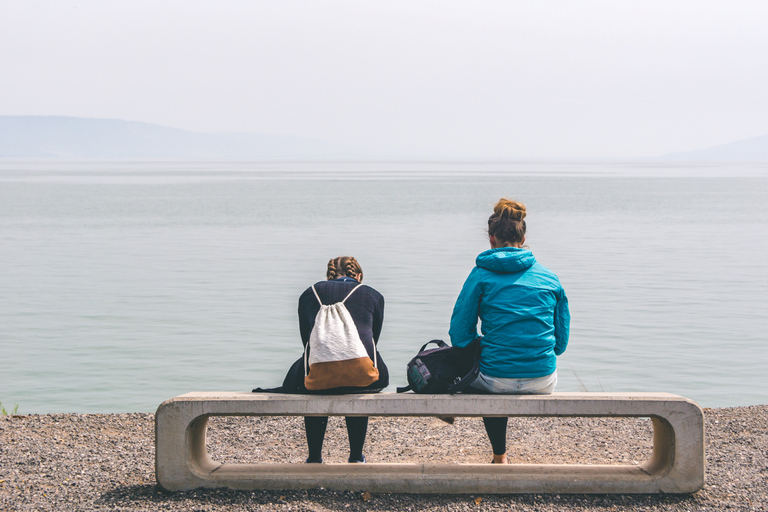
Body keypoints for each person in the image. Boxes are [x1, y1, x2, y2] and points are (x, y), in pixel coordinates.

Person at [449, 198, 570, 464]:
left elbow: (459, 336)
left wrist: (486, 344)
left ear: (491, 239)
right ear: (523, 236)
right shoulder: (550, 278)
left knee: (488, 371)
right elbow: (560, 345)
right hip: (543, 379)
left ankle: (499, 457)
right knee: (497, 363)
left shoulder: (480, 275)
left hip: (496, 378)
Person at [297, 256, 388, 463]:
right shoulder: (374, 295)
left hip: (318, 379)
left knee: (315, 374)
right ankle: (356, 457)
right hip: (364, 378)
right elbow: (373, 340)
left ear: (329, 277)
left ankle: (314, 458)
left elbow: (306, 341)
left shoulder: (308, 294)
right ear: (359, 276)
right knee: (359, 372)